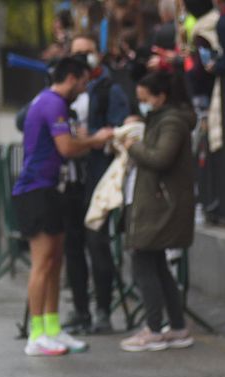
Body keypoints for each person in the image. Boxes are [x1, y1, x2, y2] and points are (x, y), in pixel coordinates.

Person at [12, 56, 114, 357]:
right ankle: (36, 333)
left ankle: (52, 328)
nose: (84, 88)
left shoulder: (50, 102)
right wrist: (96, 140)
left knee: (56, 261)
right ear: (71, 77)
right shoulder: (52, 103)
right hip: (36, 191)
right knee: (42, 263)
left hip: (51, 190)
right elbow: (66, 148)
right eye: (83, 81)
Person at [119, 71, 197, 352]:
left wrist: (133, 147)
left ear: (161, 96)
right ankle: (176, 327)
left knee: (144, 261)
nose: (142, 104)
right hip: (158, 203)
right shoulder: (163, 119)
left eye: (145, 99)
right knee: (158, 265)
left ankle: (154, 328)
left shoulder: (172, 122)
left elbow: (161, 158)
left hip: (160, 205)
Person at [63, 35, 131, 335]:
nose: (82, 58)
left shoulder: (109, 90)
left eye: (87, 53)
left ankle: (103, 309)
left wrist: (94, 138)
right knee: (73, 249)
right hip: (68, 182)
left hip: (98, 181)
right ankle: (81, 310)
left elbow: (118, 131)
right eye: (76, 54)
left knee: (98, 246)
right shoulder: (60, 93)